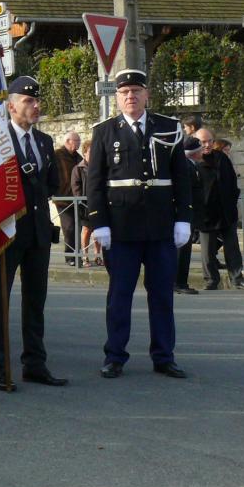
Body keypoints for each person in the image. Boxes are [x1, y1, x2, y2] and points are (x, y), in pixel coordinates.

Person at [86, 69, 191, 380]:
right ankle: (115, 355)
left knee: (162, 295)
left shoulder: (169, 128)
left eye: (136, 90)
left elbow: (182, 178)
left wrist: (183, 218)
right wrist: (98, 223)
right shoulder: (105, 131)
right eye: (124, 92)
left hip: (160, 227)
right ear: (117, 98)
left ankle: (164, 356)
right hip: (121, 228)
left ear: (147, 95)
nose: (130, 96)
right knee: (119, 295)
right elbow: (95, 184)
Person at [0, 76, 68, 392]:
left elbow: (51, 183)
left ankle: (35, 364)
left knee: (35, 301)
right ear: (11, 106)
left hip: (37, 233)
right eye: (28, 101)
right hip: (5, 231)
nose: (35, 106)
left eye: (37, 101)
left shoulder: (43, 141)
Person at [194, 128, 244, 290]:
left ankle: (237, 278)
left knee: (232, 247)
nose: (207, 145)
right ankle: (211, 280)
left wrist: (232, 201)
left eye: (210, 141)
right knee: (208, 250)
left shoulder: (221, 158)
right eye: (203, 142)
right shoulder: (193, 161)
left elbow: (232, 181)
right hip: (206, 213)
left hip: (226, 211)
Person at [174, 136, 202, 295]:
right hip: (184, 214)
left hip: (190, 212)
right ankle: (179, 282)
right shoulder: (185, 166)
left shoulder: (192, 165)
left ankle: (180, 281)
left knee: (185, 249)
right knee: (182, 250)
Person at [53, 131, 83, 266]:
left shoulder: (78, 157)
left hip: (77, 198)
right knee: (69, 227)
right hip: (63, 198)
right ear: (68, 141)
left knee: (78, 227)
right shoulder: (57, 155)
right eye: (76, 141)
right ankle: (70, 257)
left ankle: (77, 256)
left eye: (79, 141)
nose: (79, 143)